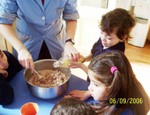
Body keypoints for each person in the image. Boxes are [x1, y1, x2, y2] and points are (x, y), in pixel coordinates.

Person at [0, 0, 80, 70]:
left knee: (57, 72)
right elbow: (3, 22)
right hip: (26, 43)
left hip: (55, 40)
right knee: (25, 74)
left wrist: (69, 42)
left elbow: (71, 16)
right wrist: (21, 49)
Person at [67, 51, 150, 115]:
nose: (89, 87)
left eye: (95, 84)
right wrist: (88, 93)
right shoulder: (123, 91)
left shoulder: (124, 110)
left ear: (113, 87)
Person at [70, 8, 135, 75]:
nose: (103, 39)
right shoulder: (104, 40)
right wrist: (84, 59)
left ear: (123, 37)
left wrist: (81, 66)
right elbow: (95, 54)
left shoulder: (114, 57)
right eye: (101, 33)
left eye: (109, 38)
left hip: (99, 82)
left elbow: (97, 77)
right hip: (92, 75)